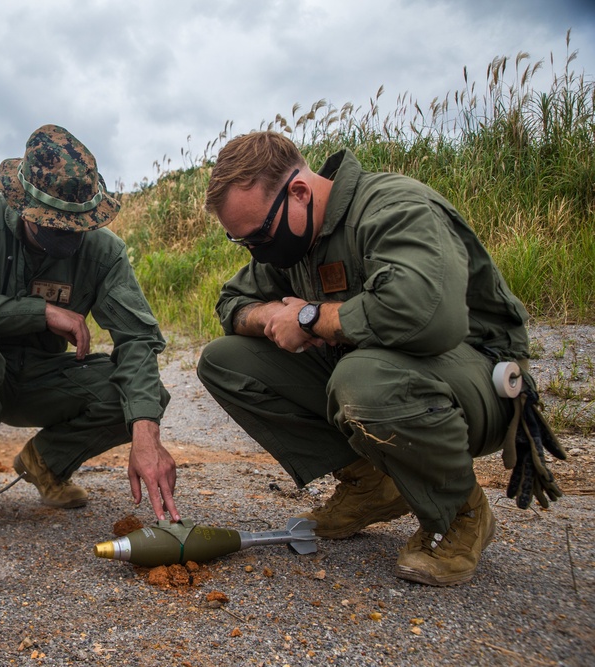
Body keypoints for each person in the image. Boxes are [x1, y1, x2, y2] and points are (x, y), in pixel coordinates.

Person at [196, 131, 538, 586]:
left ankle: (460, 513)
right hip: (377, 375)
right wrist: (271, 315)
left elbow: (425, 315)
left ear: (299, 191)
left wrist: (313, 316)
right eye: (244, 243)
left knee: (362, 380)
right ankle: (372, 484)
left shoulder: (394, 207)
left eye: (258, 235)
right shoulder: (290, 236)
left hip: (476, 378)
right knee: (224, 360)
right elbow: (231, 304)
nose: (258, 250)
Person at [0, 124, 180, 535]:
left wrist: (145, 433)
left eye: (77, 224)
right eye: (55, 224)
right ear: (22, 206)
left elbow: (138, 338)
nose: (69, 235)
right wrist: (39, 312)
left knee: (141, 395)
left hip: (41, 380)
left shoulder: (102, 251)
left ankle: (46, 463)